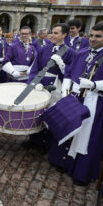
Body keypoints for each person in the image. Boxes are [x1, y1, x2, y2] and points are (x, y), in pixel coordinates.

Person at [48, 23, 103, 186]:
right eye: (92, 35)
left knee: (87, 136)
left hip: (95, 101)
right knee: (69, 129)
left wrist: (94, 85)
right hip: (75, 97)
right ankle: (64, 163)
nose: (93, 39)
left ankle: (80, 172)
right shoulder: (82, 53)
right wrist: (66, 91)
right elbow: (69, 73)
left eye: (98, 36)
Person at [27, 23, 76, 150]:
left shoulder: (70, 52)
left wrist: (62, 65)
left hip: (57, 86)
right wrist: (34, 82)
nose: (52, 35)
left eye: (56, 33)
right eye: (52, 32)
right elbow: (35, 68)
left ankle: (48, 144)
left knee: (52, 114)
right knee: (37, 112)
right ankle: (34, 140)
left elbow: (71, 73)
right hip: (41, 84)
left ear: (64, 35)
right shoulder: (44, 49)